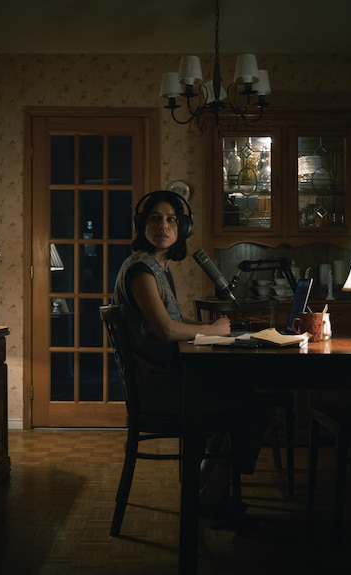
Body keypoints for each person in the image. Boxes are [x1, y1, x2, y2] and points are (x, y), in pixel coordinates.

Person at [112, 190, 269, 518]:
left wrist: (206, 326)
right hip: (158, 390)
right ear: (142, 225)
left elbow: (173, 319)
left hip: (165, 379)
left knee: (242, 395)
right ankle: (211, 496)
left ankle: (205, 490)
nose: (163, 226)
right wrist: (213, 332)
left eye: (171, 219)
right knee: (251, 406)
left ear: (182, 229)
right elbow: (165, 331)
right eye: (155, 218)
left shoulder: (157, 267)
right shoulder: (141, 271)